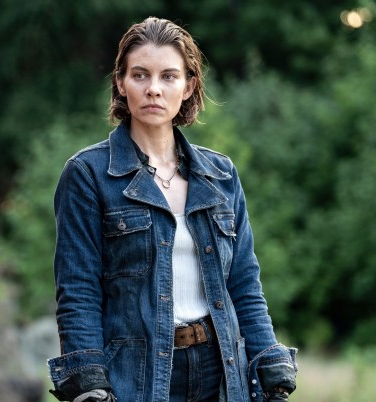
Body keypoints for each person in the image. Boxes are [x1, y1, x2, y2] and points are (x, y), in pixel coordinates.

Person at [47, 17, 297, 402]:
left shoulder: (221, 175)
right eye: (140, 75)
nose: (153, 89)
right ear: (121, 82)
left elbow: (244, 283)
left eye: (168, 76)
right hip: (136, 375)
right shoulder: (88, 174)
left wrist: (270, 368)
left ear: (189, 86)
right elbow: (78, 291)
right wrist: (88, 383)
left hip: (221, 370)